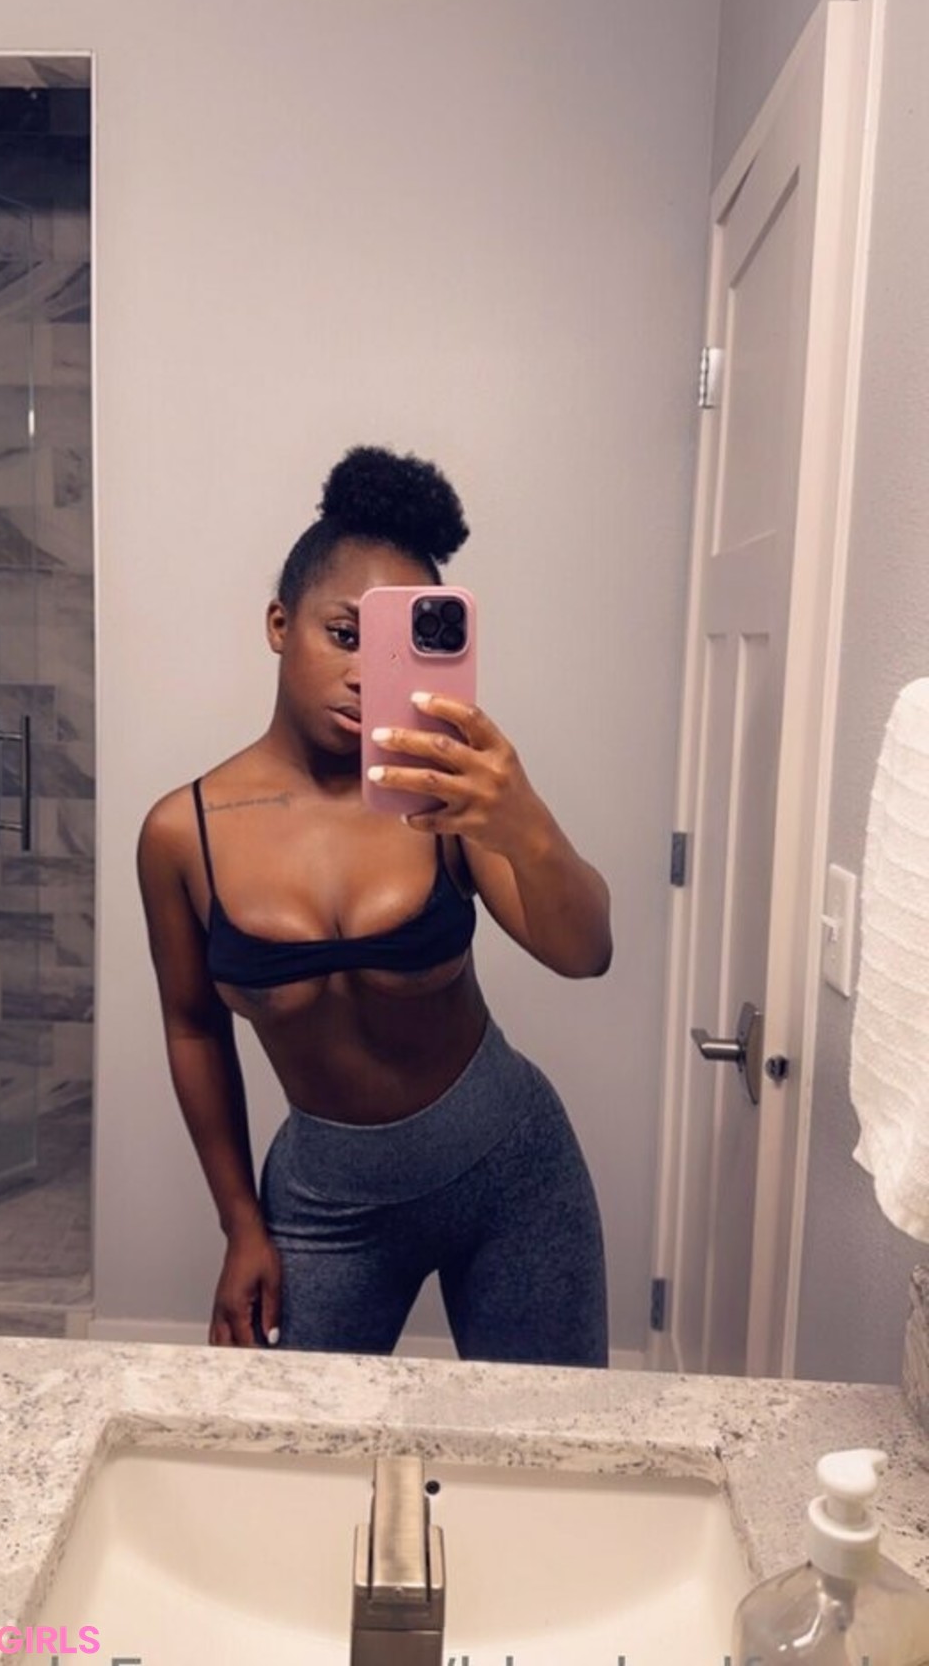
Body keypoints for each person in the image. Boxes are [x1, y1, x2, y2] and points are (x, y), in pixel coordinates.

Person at [137, 445, 612, 1365]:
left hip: (512, 1170)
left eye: (394, 648)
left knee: (551, 1436)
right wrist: (240, 1223)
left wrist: (523, 820)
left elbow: (586, 950)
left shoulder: (448, 796)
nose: (363, 672)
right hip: (329, 1202)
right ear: (280, 624)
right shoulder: (180, 833)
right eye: (343, 633)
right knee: (290, 1437)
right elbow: (193, 1026)